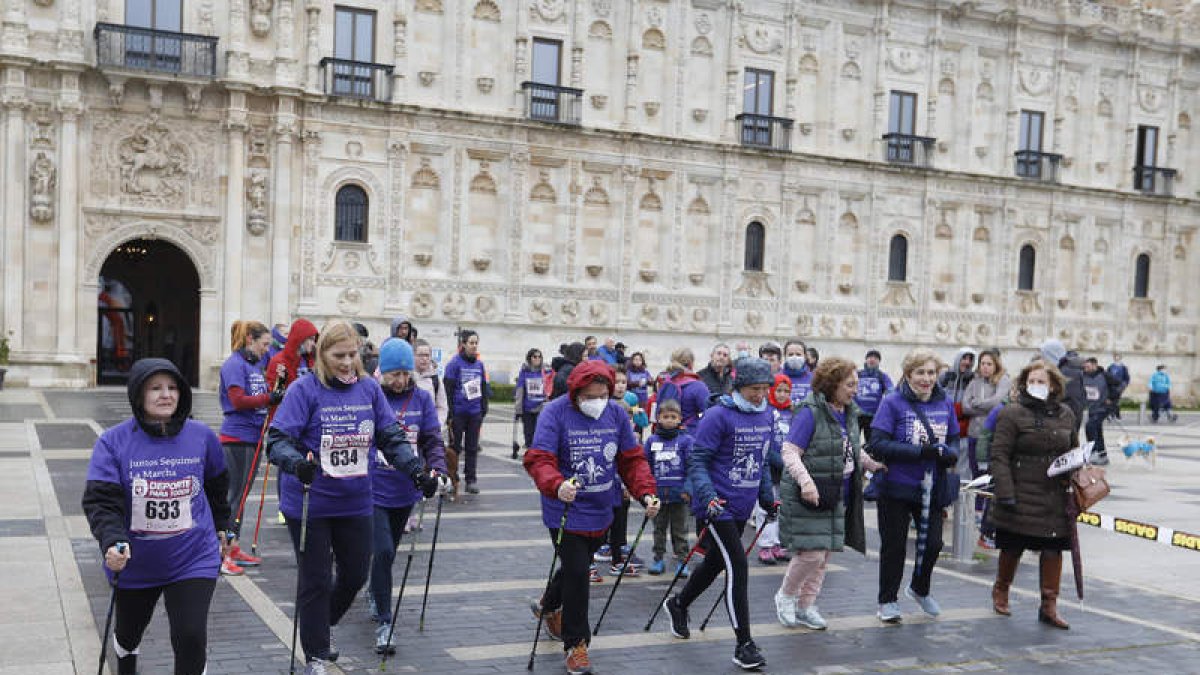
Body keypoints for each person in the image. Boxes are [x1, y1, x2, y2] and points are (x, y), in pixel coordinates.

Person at [266, 321, 438, 673]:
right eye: (338, 356)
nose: (346, 363)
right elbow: (277, 440)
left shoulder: (368, 390)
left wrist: (416, 471)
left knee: (356, 574)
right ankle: (316, 655)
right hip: (311, 501)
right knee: (315, 579)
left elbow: (390, 437)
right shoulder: (304, 390)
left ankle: (320, 626)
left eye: (352, 355)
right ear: (322, 355)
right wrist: (297, 463)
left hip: (355, 499)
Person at [83, 359, 230, 675]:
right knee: (129, 631)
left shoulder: (202, 436)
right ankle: (126, 659)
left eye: (173, 387)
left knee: (191, 636)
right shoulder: (113, 442)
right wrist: (112, 539)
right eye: (155, 388)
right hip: (136, 560)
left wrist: (223, 525)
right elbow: (101, 501)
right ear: (138, 395)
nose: (166, 395)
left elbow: (218, 485)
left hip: (193, 556)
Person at [524, 360, 660, 675]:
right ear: (576, 392)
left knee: (577, 566)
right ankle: (576, 645)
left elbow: (631, 459)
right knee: (578, 573)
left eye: (602, 395)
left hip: (603, 507)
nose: (597, 402)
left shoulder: (616, 414)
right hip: (565, 509)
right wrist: (556, 484)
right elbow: (539, 458)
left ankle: (548, 604)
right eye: (589, 396)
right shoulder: (554, 413)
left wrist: (645, 493)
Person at [663, 357, 776, 671]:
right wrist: (709, 498)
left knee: (715, 562)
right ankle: (744, 644)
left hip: (742, 505)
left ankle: (678, 603)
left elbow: (763, 461)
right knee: (738, 565)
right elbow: (698, 461)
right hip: (716, 506)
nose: (759, 395)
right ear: (739, 386)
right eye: (754, 389)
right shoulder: (718, 415)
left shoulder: (766, 414)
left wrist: (768, 499)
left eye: (764, 388)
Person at [776, 357, 883, 630]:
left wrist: (871, 464)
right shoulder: (810, 412)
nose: (855, 390)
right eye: (850, 384)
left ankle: (806, 606)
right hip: (811, 496)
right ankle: (786, 595)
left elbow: (849, 447)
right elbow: (789, 451)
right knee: (811, 555)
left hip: (837, 494)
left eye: (856, 384)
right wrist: (806, 483)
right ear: (832, 384)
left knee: (823, 557)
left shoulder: (849, 412)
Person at [368, 339, 449, 653]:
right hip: (373, 487)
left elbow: (431, 438)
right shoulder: (372, 395)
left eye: (405, 373)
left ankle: (375, 589)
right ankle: (385, 623)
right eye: (394, 374)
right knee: (383, 551)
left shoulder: (422, 398)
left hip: (405, 488)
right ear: (383, 372)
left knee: (388, 554)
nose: (400, 380)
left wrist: (438, 469)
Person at [870, 348, 960, 623]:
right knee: (894, 546)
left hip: (932, 486)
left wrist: (951, 454)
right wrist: (920, 452)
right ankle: (887, 600)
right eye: (920, 372)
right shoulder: (892, 402)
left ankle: (919, 588)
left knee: (934, 544)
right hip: (896, 485)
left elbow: (954, 438)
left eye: (931, 372)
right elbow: (878, 443)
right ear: (908, 375)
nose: (926, 378)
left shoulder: (944, 403)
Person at [987, 359, 1077, 629]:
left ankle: (1049, 605)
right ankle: (1001, 589)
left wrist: (1077, 469)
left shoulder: (1066, 414)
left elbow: (1073, 450)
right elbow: (999, 454)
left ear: (1053, 386)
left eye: (1041, 381)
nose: (1036, 385)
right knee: (1013, 545)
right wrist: (1005, 491)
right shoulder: (1012, 413)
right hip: (1020, 492)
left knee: (1053, 549)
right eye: (1031, 381)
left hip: (1054, 496)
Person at [217, 320, 278, 575]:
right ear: (250, 339)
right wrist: (268, 398)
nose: (267, 349)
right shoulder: (234, 364)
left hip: (253, 436)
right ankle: (222, 553)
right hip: (237, 437)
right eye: (264, 344)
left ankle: (234, 546)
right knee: (233, 498)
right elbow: (238, 400)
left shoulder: (254, 365)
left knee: (241, 498)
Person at [645, 399, 694, 577]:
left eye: (673, 417)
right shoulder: (652, 440)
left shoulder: (686, 441)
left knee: (680, 530)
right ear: (658, 418)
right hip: (657, 496)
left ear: (679, 419)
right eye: (665, 417)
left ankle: (682, 560)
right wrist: (648, 491)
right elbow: (646, 467)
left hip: (679, 495)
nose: (669, 420)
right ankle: (658, 559)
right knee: (658, 529)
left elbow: (692, 466)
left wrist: (688, 489)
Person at [444, 329, 489, 494]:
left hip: (474, 413)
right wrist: (449, 412)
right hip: (458, 413)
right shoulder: (454, 363)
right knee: (454, 448)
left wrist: (483, 408)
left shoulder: (479, 364)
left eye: (476, 343)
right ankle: (453, 478)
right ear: (463, 344)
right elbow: (448, 389)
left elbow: (483, 387)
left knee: (472, 448)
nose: (474, 346)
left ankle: (471, 480)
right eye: (471, 343)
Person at [755, 374, 793, 566]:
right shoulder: (766, 411)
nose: (782, 394)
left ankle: (779, 542)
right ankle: (765, 545)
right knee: (766, 506)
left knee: (783, 507)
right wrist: (779, 460)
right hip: (770, 467)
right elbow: (765, 442)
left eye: (786, 391)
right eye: (779, 390)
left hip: (788, 467)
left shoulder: (793, 412)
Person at [961, 349, 1011, 477]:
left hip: (992, 436)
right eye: (982, 363)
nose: (985, 367)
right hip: (974, 434)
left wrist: (977, 403)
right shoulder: (975, 381)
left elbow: (996, 402)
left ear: (996, 365)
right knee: (976, 474)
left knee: (989, 475)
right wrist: (985, 408)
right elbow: (965, 407)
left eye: (989, 364)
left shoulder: (1003, 380)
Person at [653, 347, 711, 432]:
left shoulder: (664, 382)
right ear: (691, 364)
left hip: (664, 433)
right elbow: (709, 414)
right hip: (689, 433)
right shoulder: (697, 386)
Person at [1041, 339, 1085, 432]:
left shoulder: (1068, 372)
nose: (1043, 358)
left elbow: (1073, 402)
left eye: (1044, 355)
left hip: (1064, 423)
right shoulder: (1059, 369)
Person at [515, 348, 552, 459]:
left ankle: (539, 454)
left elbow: (550, 387)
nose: (537, 359)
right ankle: (531, 453)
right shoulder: (524, 372)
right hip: (528, 408)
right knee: (528, 433)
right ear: (530, 358)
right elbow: (520, 390)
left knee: (540, 433)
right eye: (534, 357)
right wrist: (518, 409)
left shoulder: (545, 371)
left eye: (539, 357)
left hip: (541, 407)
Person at [855, 350, 894, 446]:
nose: (872, 359)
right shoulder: (857, 374)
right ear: (866, 359)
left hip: (873, 416)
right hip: (856, 415)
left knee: (871, 443)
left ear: (879, 361)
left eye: (876, 358)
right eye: (870, 357)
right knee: (852, 442)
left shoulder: (882, 376)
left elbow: (891, 390)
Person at [1080, 358, 1111, 465]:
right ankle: (1103, 455)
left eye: (1088, 367)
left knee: (1090, 426)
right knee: (1097, 430)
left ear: (1095, 365)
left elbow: (1119, 384)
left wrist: (1111, 398)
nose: (1086, 369)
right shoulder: (1083, 376)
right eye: (1085, 367)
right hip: (1092, 407)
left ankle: (1093, 452)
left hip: (1103, 407)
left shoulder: (1105, 375)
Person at [939, 349, 976, 435]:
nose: (967, 362)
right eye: (964, 358)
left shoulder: (973, 379)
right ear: (958, 358)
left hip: (964, 425)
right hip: (945, 421)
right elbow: (935, 395)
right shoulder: (946, 376)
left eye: (970, 359)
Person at [413, 338, 448, 421]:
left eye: (427, 355)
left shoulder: (435, 380)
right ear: (413, 356)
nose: (424, 358)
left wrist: (437, 424)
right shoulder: (406, 377)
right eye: (420, 355)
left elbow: (442, 407)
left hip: (430, 426)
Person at [782, 340, 813, 405]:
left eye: (798, 354)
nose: (794, 357)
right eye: (790, 354)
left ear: (805, 356)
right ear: (785, 356)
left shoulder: (814, 379)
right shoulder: (777, 378)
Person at [1106, 354, 1130, 418]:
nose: (1117, 358)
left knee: (1116, 401)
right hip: (1111, 387)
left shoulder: (1123, 367)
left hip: (1119, 387)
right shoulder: (1110, 367)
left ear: (1120, 358)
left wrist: (1123, 386)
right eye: (1116, 357)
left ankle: (1116, 414)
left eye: (1118, 357)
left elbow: (1127, 378)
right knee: (1111, 400)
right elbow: (1107, 376)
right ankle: (1113, 413)